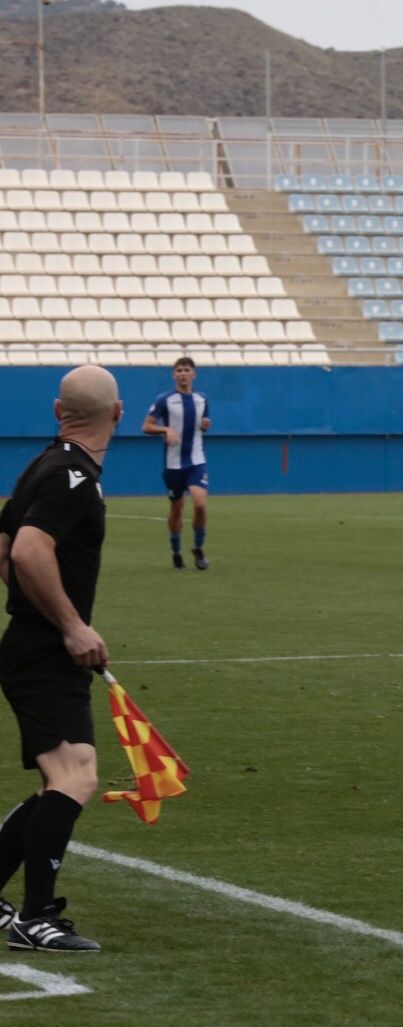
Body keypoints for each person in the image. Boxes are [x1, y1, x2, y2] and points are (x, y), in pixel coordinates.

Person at [0, 365, 122, 953]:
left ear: (57, 410)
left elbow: (4, 549)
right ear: (118, 414)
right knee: (77, 775)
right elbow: (27, 550)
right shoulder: (71, 476)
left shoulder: (42, 465)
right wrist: (69, 625)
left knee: (62, 777)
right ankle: (36, 917)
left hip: (33, 647)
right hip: (44, 653)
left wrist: (38, 608)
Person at [141, 355, 212, 570]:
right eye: (179, 370)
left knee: (200, 504)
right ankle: (176, 553)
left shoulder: (202, 399)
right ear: (174, 375)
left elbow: (203, 425)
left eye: (187, 370)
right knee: (176, 510)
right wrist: (166, 429)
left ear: (194, 374)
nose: (183, 374)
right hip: (173, 465)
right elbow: (146, 427)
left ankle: (198, 548)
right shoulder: (165, 399)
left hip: (196, 461)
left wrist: (206, 426)